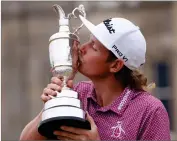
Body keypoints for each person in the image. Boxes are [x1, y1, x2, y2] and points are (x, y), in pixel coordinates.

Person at [20, 15, 171, 140]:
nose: (82, 48)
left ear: (115, 65)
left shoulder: (150, 110)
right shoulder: (78, 92)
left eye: (93, 46)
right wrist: (52, 104)